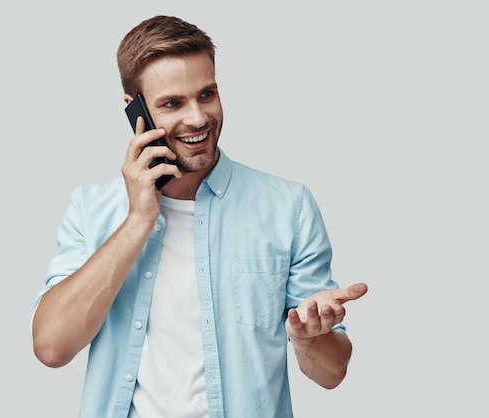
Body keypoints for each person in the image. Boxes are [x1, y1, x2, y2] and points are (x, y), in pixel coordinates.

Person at [32, 15, 368, 418]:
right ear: (134, 110)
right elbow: (51, 347)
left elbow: (332, 373)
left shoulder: (288, 206)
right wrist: (139, 218)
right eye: (172, 103)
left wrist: (310, 338)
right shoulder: (91, 209)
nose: (197, 118)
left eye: (206, 94)